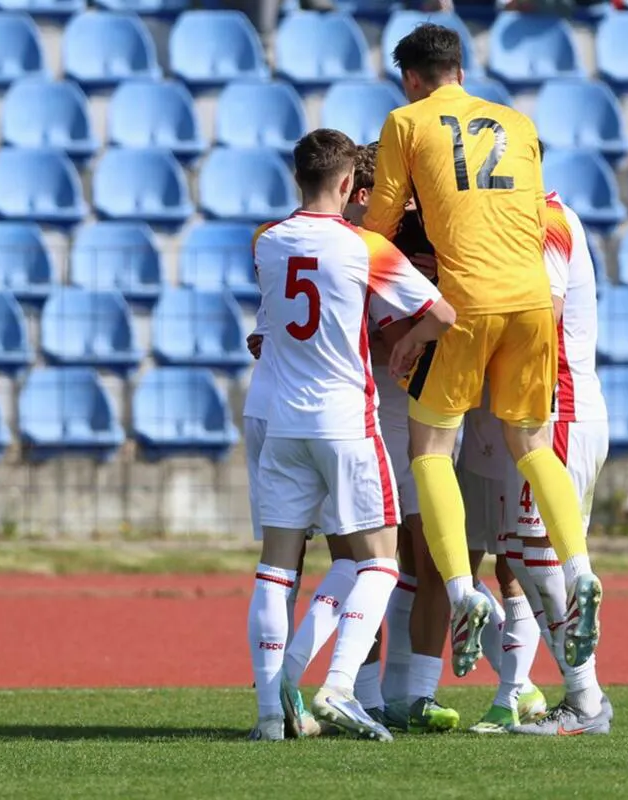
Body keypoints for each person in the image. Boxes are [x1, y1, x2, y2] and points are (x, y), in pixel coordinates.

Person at [364, 23, 603, 680]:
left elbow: (381, 222)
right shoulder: (518, 122)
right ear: (462, 72)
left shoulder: (406, 121)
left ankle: (463, 590)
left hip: (467, 300)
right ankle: (581, 568)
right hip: (531, 302)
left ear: (412, 79)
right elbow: (527, 216)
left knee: (430, 450)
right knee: (532, 444)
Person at [247, 128, 455, 741]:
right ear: (347, 183)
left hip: (283, 423)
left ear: (298, 177)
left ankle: (270, 712)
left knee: (276, 570)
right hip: (345, 422)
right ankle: (337, 686)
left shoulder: (267, 241)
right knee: (381, 563)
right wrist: (411, 343)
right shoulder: (364, 246)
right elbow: (442, 315)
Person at [345, 144, 460, 733]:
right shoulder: (357, 246)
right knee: (370, 559)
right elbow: (397, 343)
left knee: (430, 555)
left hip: (427, 412)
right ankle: (365, 694)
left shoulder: (442, 236)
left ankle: (415, 692)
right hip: (370, 416)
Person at [506, 189, 613, 735]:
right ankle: (580, 692)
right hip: (561, 410)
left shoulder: (545, 219)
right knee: (520, 555)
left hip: (558, 411)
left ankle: (584, 700)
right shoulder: (546, 214)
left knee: (537, 556)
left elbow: (543, 318)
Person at [457, 400, 550, 732]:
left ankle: (509, 698)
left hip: (515, 455)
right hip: (472, 454)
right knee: (457, 574)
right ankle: (523, 691)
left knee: (511, 572)